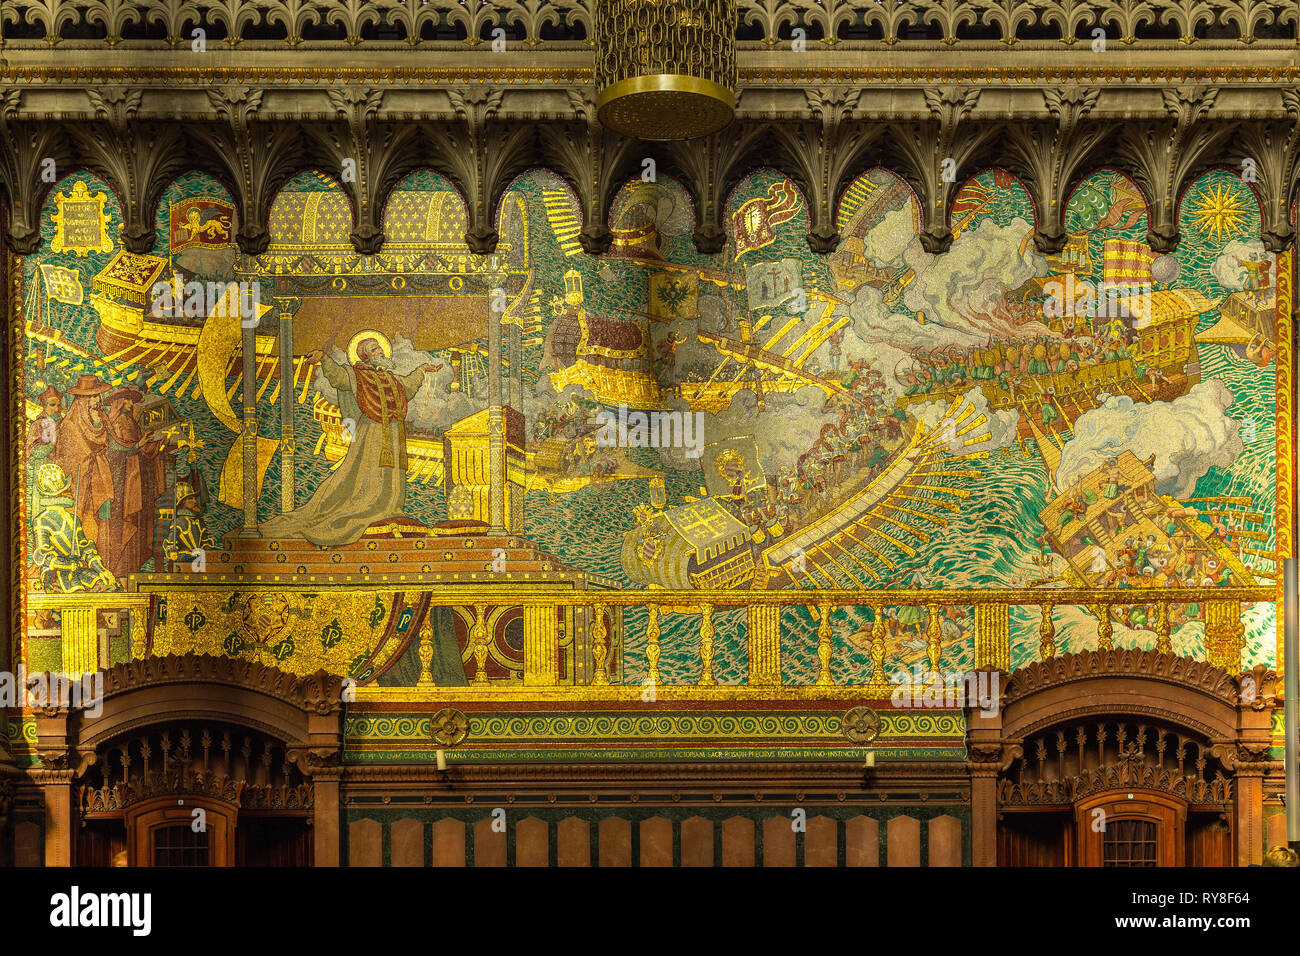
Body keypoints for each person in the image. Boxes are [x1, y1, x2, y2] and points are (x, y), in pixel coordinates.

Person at [261, 333, 441, 547]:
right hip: (371, 432)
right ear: (366, 357)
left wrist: (421, 370)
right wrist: (324, 358)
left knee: (390, 473)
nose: (380, 351)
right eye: (374, 349)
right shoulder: (358, 375)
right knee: (367, 470)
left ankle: (389, 507)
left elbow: (408, 387)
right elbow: (338, 377)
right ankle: (367, 505)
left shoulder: (392, 378)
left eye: (380, 348)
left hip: (393, 433)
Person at [103, 387, 166, 578]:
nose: (131, 404)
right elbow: (113, 452)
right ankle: (121, 570)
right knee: (125, 523)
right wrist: (139, 445)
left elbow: (138, 448)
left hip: (135, 480)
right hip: (122, 482)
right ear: (119, 402)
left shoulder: (131, 421)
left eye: (132, 401)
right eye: (128, 400)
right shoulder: (115, 423)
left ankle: (132, 570)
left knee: (137, 524)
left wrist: (157, 443)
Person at [31, 463, 116, 592]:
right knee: (77, 596)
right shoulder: (42, 520)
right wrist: (70, 565)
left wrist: (101, 570)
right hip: (55, 574)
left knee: (108, 586)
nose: (69, 491)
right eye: (66, 489)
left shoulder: (73, 519)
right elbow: (43, 556)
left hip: (77, 570)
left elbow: (85, 549)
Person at [51, 374, 113, 547]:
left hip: (94, 477)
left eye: (98, 395)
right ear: (83, 400)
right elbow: (76, 454)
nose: (98, 400)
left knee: (94, 516)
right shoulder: (70, 424)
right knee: (77, 514)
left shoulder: (96, 419)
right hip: (78, 480)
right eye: (94, 396)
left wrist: (98, 424)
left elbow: (102, 442)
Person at [163, 481, 212, 571]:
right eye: (190, 499)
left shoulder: (200, 521)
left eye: (194, 498)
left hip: (201, 563)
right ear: (183, 502)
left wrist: (205, 551)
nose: (194, 501)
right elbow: (171, 545)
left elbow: (206, 541)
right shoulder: (178, 522)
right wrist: (172, 552)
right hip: (183, 562)